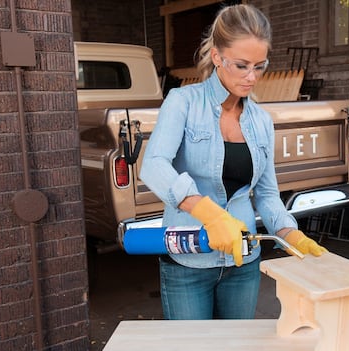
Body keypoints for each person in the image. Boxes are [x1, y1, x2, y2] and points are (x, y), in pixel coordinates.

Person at [139, 3, 327, 320]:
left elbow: (267, 194)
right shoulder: (183, 103)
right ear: (217, 57)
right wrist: (208, 213)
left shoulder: (262, 121)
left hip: (243, 262)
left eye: (260, 66)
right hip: (190, 260)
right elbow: (153, 165)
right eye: (241, 66)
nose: (251, 77)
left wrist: (288, 232)